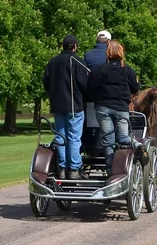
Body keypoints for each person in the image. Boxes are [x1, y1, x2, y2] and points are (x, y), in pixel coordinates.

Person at [86, 40, 147, 175]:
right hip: (121, 108)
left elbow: (90, 89)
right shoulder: (128, 70)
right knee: (123, 137)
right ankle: (137, 145)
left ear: (107, 53)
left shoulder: (99, 70)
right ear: (121, 53)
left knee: (108, 140)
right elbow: (135, 88)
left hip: (103, 108)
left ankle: (110, 171)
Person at [43, 34, 89, 179]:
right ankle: (74, 169)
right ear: (75, 46)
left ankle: (62, 168)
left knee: (60, 136)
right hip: (74, 106)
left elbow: (46, 82)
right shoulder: (78, 62)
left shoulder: (52, 62)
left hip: (57, 106)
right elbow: (84, 84)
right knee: (74, 137)